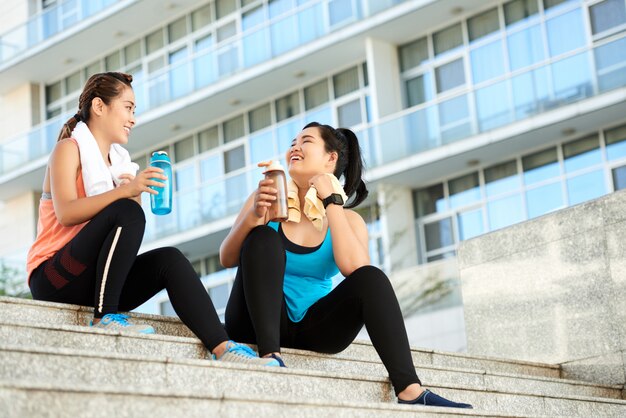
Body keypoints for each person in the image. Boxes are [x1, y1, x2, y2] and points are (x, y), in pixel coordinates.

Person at [26, 72, 279, 367]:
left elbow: (120, 240)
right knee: (128, 210)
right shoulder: (68, 149)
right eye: (128, 107)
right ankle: (105, 316)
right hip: (54, 277)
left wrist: (130, 192)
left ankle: (223, 347)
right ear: (99, 106)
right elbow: (67, 212)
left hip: (96, 280)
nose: (133, 118)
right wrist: (127, 194)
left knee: (169, 259)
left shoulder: (119, 164)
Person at [220, 122, 473, 408]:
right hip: (254, 323)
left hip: (314, 328)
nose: (294, 146)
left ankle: (409, 390)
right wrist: (255, 217)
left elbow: (358, 272)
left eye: (306, 141)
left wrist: (333, 203)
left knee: (373, 278)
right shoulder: (264, 198)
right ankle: (269, 357)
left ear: (331, 158)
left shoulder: (348, 219)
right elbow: (227, 258)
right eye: (292, 141)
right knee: (264, 236)